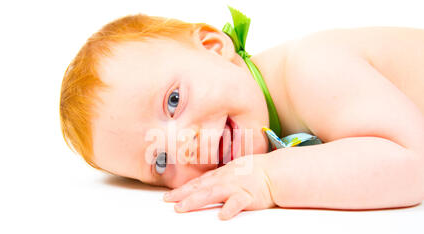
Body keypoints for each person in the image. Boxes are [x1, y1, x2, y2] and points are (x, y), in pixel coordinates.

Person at [60, 7, 424, 220]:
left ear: (214, 47)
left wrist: (271, 179)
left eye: (173, 101)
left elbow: (411, 164)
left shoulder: (311, 67)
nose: (186, 145)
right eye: (161, 159)